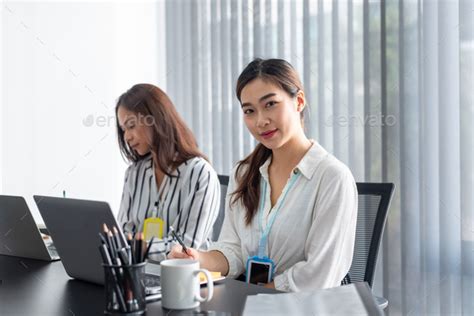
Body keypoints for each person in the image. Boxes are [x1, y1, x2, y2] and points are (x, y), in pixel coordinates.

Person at [169, 58, 358, 292]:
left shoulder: (332, 177)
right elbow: (234, 250)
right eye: (249, 110)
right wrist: (198, 258)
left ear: (298, 101)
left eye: (270, 104)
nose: (260, 121)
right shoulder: (244, 173)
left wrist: (256, 298)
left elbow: (319, 274)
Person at [116, 83, 220, 250]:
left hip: (185, 274)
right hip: (139, 272)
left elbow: (186, 247)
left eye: (131, 126)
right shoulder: (134, 174)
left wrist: (139, 246)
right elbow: (122, 235)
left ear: (155, 119)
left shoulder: (200, 173)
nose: (127, 136)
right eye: (123, 129)